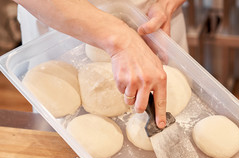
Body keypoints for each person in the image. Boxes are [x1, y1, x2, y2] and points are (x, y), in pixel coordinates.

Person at [14, 0, 188, 129]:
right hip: (57, 19)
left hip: (154, 21)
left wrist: (168, 3)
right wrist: (120, 39)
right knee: (64, 136)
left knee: (178, 118)